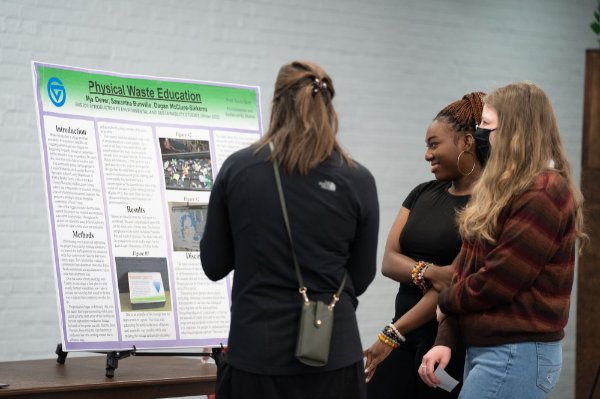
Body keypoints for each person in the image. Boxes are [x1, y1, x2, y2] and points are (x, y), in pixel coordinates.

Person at [200, 61, 379, 399]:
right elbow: (362, 275)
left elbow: (214, 265)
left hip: (257, 356)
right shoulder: (358, 179)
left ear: (276, 105)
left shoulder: (240, 170)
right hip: (335, 355)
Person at [419, 82, 587, 399]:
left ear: (515, 131)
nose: (478, 133)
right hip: (490, 349)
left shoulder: (544, 191)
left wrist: (445, 302)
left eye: (486, 125)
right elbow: (466, 270)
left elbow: (499, 280)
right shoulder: (501, 188)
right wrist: (446, 336)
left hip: (516, 353)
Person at [364, 91, 487, 399]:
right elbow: (389, 261)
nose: (427, 155)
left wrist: (392, 334)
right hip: (400, 335)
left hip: (447, 345)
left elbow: (453, 283)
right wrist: (429, 272)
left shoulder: (488, 205)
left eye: (434, 145)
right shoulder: (422, 193)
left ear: (466, 142)